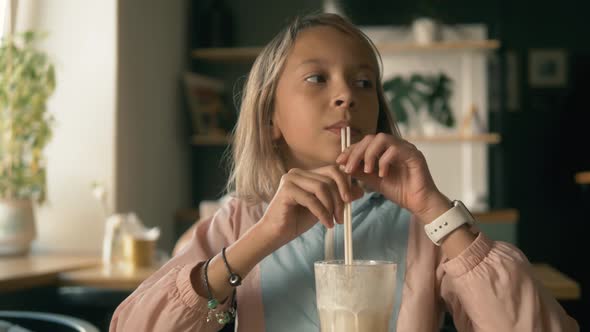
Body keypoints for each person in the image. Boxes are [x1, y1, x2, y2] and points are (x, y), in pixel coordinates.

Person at [109, 13, 578, 332]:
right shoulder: (236, 224)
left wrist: (435, 207)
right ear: (271, 117)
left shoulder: (423, 229)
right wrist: (262, 239)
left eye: (363, 82)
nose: (346, 96)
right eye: (317, 78)